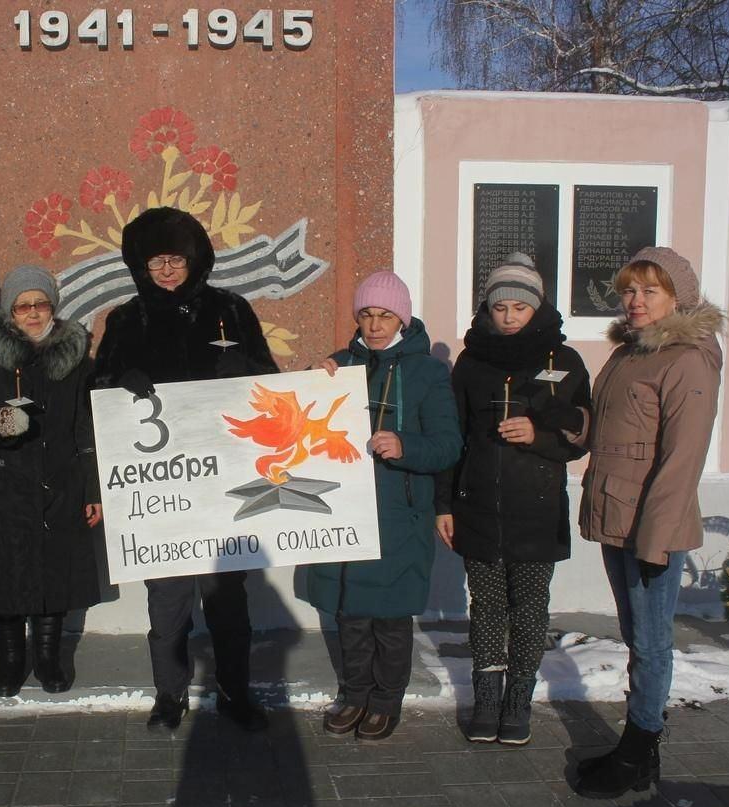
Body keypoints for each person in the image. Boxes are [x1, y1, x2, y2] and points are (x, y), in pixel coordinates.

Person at [93, 207, 279, 731]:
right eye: (157, 261)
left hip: (225, 483)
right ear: (141, 266)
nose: (168, 270)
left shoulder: (233, 310)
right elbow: (98, 392)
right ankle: (169, 695)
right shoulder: (126, 320)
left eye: (176, 259)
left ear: (194, 261)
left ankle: (235, 693)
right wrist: (117, 381)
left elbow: (271, 384)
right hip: (162, 489)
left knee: (227, 599)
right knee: (167, 600)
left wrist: (244, 371)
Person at [573, 247, 724, 798]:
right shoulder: (630, 352)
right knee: (637, 634)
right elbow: (607, 426)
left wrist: (655, 540)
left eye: (648, 292)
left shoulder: (687, 358)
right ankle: (639, 747)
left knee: (653, 641)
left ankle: (638, 752)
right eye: (628, 291)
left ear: (676, 297)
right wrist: (567, 425)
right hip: (618, 514)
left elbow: (683, 457)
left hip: (650, 527)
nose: (634, 302)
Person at [432, 254, 591, 747]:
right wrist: (445, 504)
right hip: (477, 506)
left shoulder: (563, 362)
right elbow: (452, 435)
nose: (508, 316)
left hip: (535, 510)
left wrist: (537, 434)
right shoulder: (472, 362)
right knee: (485, 606)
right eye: (499, 307)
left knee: (528, 608)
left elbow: (582, 432)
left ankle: (518, 700)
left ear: (535, 309)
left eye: (518, 308)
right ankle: (486, 700)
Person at [307, 271, 461, 741]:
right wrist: (313, 387)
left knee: (390, 617)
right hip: (345, 508)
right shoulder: (339, 365)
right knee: (350, 614)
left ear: (403, 318)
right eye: (367, 315)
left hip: (400, 511)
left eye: (385, 315)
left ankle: (385, 700)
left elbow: (448, 446)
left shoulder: (428, 373)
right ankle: (354, 694)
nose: (375, 325)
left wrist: (405, 444)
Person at [0, 266, 103, 697]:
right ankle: (12, 659)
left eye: (41, 304)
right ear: (10, 312)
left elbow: (85, 428)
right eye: (24, 306)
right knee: (5, 575)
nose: (33, 313)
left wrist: (92, 490)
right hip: (1, 489)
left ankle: (48, 658)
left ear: (53, 307)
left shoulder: (75, 361)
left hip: (60, 483)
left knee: (53, 574)